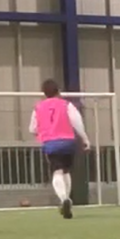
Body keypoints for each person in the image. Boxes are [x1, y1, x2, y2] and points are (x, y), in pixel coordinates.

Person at [29, 80, 91, 218]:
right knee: (66, 170)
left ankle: (64, 199)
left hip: (50, 142)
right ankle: (67, 200)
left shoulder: (38, 108)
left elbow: (32, 128)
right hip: (67, 141)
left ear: (44, 93)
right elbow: (77, 122)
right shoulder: (66, 105)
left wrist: (43, 131)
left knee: (57, 171)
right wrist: (85, 139)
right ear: (58, 91)